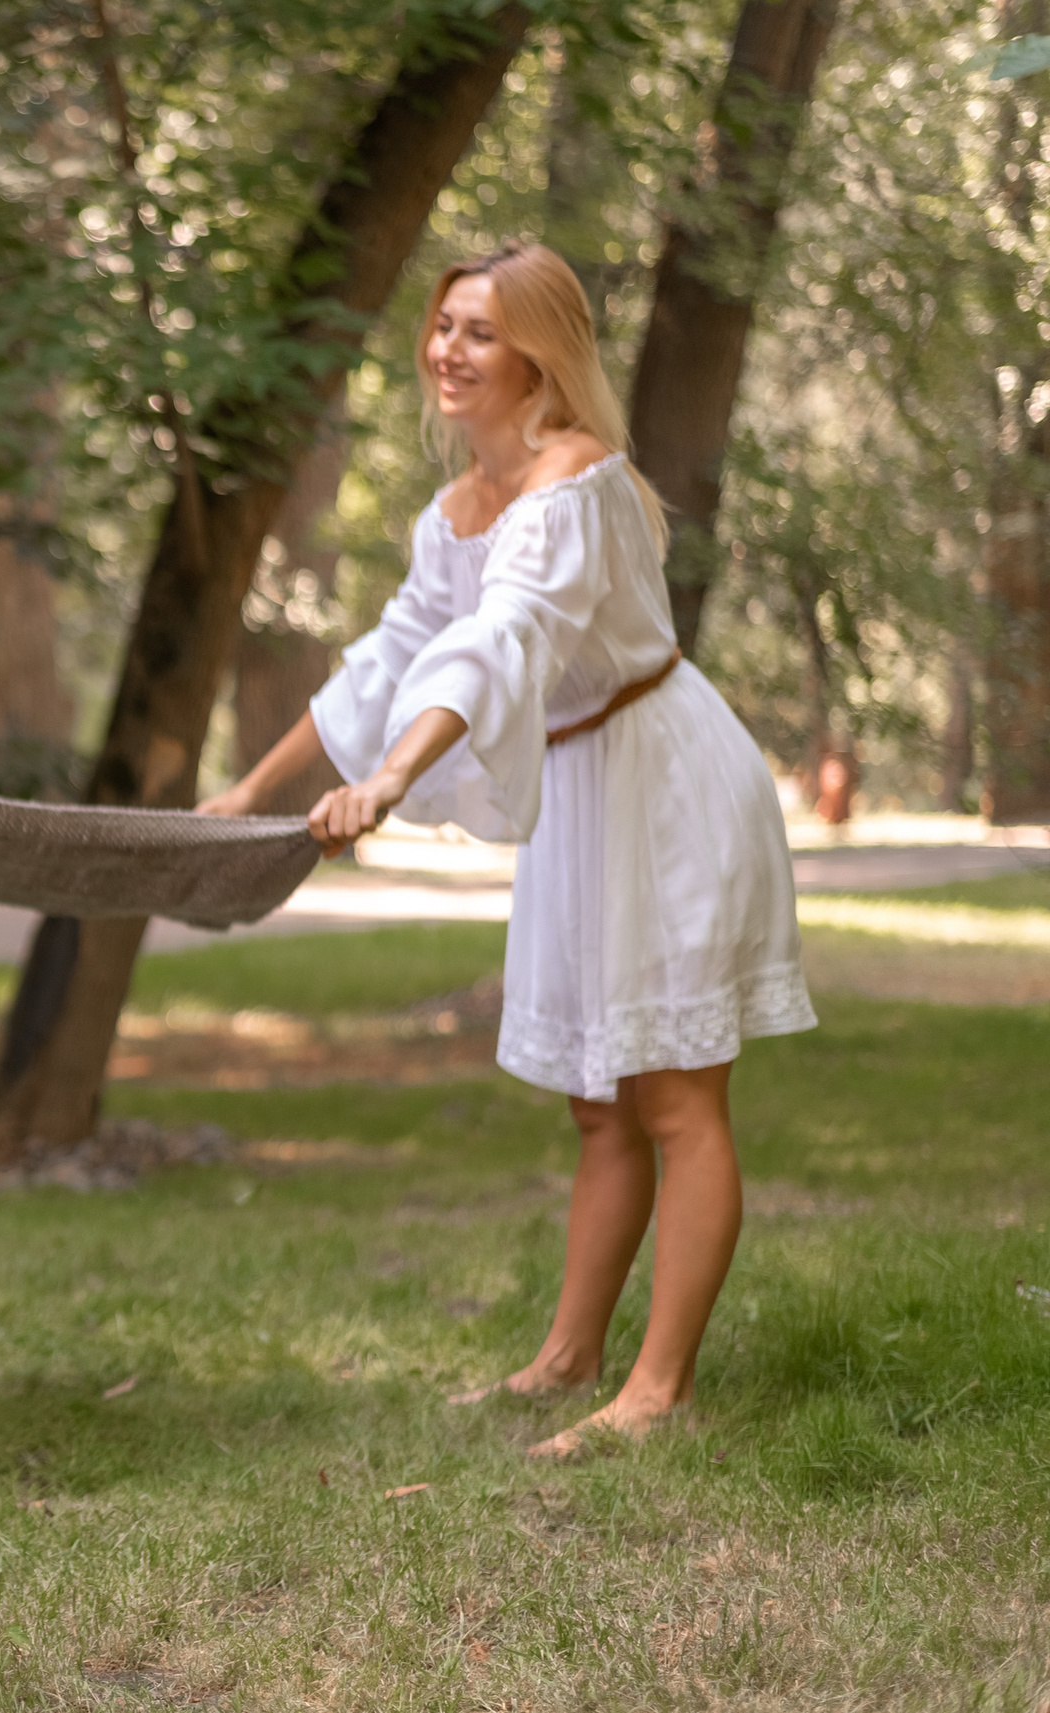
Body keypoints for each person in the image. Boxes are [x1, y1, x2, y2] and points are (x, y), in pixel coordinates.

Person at [199, 241, 815, 1460]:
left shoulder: (575, 487)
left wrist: (388, 781)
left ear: (538, 349)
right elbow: (387, 660)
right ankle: (567, 1358)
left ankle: (658, 1390)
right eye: (441, 325)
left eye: (479, 330)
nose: (447, 348)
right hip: (583, 793)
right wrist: (246, 796)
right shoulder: (455, 510)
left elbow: (501, 647)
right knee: (598, 1106)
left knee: (676, 1099)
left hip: (662, 779)